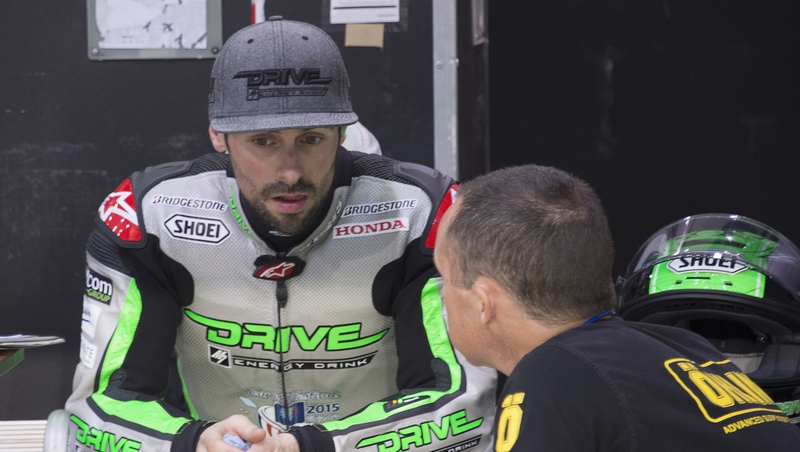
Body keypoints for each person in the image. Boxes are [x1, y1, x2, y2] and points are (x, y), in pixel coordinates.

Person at [65, 17, 496, 452]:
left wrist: (316, 447)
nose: (290, 171)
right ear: (219, 134)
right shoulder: (148, 215)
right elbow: (96, 410)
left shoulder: (424, 213)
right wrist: (189, 443)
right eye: (264, 141)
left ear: (343, 133)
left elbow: (464, 407)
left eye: (311, 139)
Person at [433, 164, 800, 451]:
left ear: (484, 302)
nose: (441, 293)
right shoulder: (682, 348)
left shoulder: (553, 375)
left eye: (445, 276)